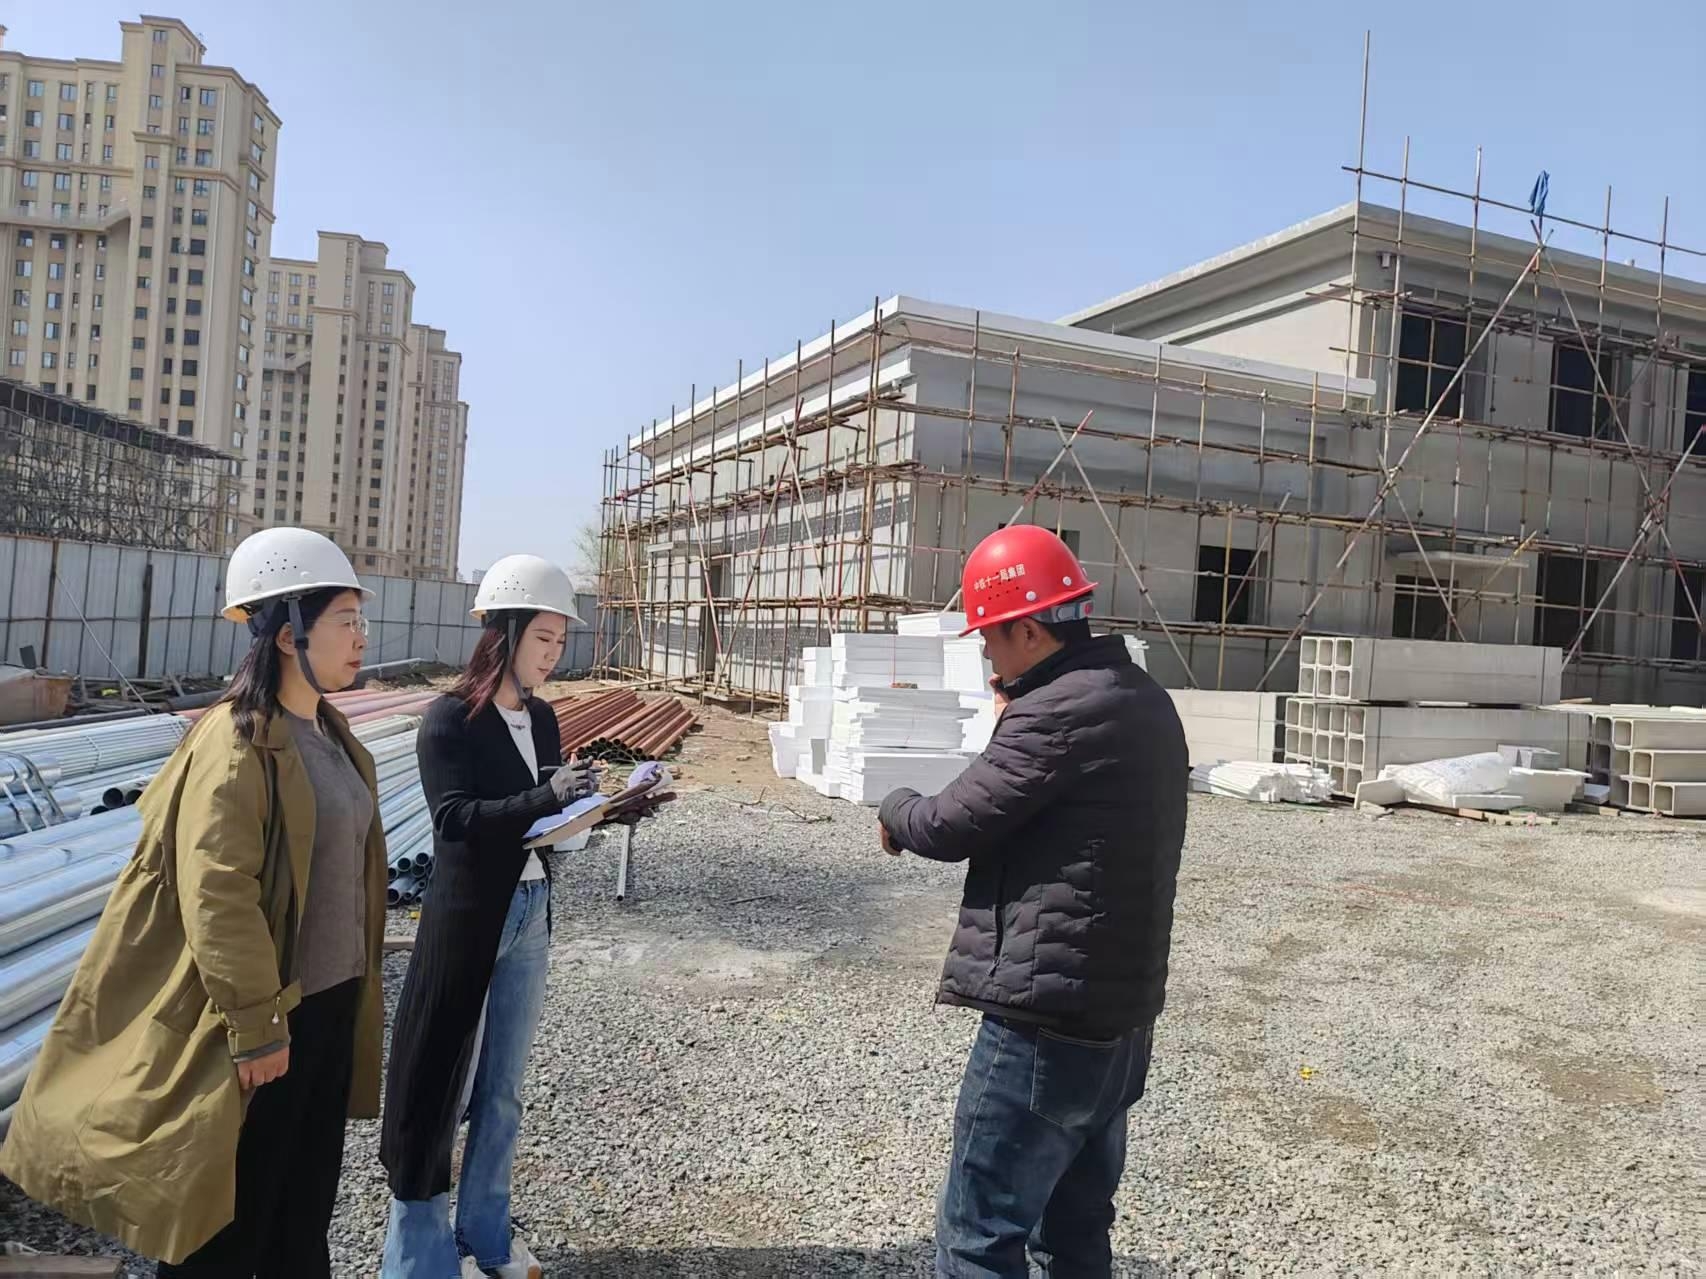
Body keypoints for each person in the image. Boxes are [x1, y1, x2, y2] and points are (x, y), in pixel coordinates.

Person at [0, 528, 389, 1276]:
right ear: (288, 635)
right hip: (269, 1021)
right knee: (227, 1228)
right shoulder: (238, 742)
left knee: (301, 1215)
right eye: (345, 620)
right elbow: (216, 891)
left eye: (360, 620)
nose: (360, 637)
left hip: (330, 1008)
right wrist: (258, 1026)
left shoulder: (332, 734)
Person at [875, 525, 1188, 1279]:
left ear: (1028, 629)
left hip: (1045, 1024)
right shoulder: (1141, 697)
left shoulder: (1056, 712)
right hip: (1120, 1017)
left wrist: (893, 807)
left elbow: (949, 823)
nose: (988, 653)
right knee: (1076, 1229)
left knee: (979, 1236)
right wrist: (1013, 711)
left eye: (990, 636)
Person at [380, 554, 594, 1279]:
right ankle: (427, 1256)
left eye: (560, 641)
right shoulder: (451, 719)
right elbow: (455, 820)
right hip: (472, 917)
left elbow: (540, 824)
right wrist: (545, 797)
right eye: (543, 638)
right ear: (503, 633)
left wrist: (600, 808)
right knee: (442, 1085)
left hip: (531, 909)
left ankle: (488, 1237)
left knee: (503, 1090)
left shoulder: (543, 717)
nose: (553, 654)